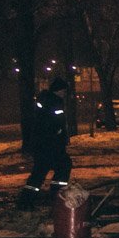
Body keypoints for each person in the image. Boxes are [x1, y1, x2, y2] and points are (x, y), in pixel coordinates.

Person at [16, 77, 72, 210]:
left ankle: (27, 200)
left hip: (43, 145)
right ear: (59, 90)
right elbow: (56, 124)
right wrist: (59, 135)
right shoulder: (54, 102)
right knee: (62, 167)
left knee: (39, 173)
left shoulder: (44, 100)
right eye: (64, 91)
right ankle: (55, 196)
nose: (65, 93)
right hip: (51, 145)